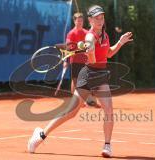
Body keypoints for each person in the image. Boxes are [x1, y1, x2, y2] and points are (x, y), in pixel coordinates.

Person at [27, 5, 133, 158]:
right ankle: (40, 135)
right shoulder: (90, 36)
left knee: (109, 110)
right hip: (88, 76)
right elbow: (91, 54)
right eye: (96, 17)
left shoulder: (105, 35)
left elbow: (108, 53)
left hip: (101, 76)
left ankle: (107, 146)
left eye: (101, 17)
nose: (100, 20)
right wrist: (90, 52)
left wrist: (121, 42)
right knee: (70, 113)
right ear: (90, 20)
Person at [64, 12, 100, 108]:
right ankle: (75, 101)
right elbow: (68, 46)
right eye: (78, 21)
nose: (79, 22)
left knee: (87, 80)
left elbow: (91, 43)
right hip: (75, 60)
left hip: (86, 60)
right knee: (75, 81)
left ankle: (89, 100)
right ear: (74, 21)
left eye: (81, 21)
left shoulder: (86, 33)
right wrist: (66, 60)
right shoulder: (71, 33)